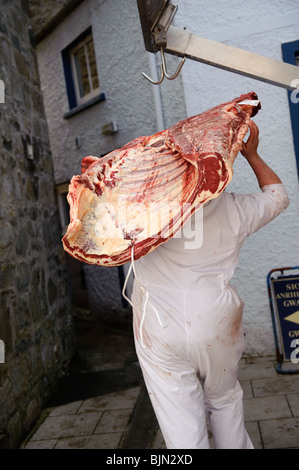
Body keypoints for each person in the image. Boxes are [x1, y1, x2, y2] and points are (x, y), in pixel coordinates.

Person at [130, 120, 289, 449]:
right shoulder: (232, 207)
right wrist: (252, 155)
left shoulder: (140, 210)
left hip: (158, 327)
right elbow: (278, 197)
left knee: (181, 420)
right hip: (216, 322)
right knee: (225, 401)